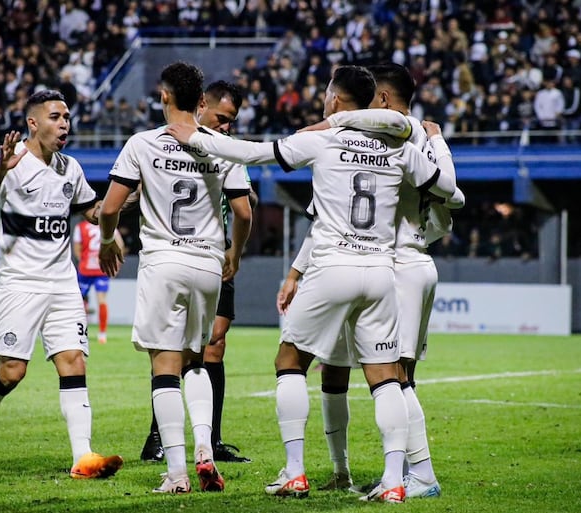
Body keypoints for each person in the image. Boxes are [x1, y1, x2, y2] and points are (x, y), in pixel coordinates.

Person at [166, 65, 458, 502]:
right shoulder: (399, 145)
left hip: (332, 265)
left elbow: (253, 154)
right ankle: (396, 480)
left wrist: (194, 135)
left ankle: (295, 471)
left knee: (290, 361)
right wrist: (432, 138)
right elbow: (449, 187)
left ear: (336, 99)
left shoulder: (323, 137)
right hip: (380, 273)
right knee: (386, 378)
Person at [292, 62, 465, 498]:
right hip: (416, 260)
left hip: (391, 263)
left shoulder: (379, 137)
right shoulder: (422, 138)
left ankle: (420, 474)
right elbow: (452, 195)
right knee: (399, 373)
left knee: (392, 377)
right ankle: (403, 471)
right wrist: (441, 142)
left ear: (383, 100)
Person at [97, 62, 253, 494]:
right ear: (200, 101)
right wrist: (234, 252)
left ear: (164, 96)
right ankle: (206, 449)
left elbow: (109, 208)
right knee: (198, 361)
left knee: (164, 367)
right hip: (207, 265)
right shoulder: (222, 146)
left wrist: (108, 240)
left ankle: (178, 473)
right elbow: (244, 212)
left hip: (163, 261)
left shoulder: (143, 144)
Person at [0, 90, 123, 480]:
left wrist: (127, 196)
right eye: (55, 117)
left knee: (73, 361)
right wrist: (0, 176)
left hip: (63, 283)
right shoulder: (6, 162)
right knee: (13, 371)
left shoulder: (71, 168)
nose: (64, 123)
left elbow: (93, 212)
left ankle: (82, 457)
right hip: (19, 282)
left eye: (67, 117)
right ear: (33, 123)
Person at [139, 80, 258, 464]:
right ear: (202, 104)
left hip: (215, 255)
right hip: (192, 255)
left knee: (214, 343)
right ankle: (159, 436)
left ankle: (211, 439)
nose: (226, 127)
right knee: (175, 351)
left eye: (232, 122)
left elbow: (245, 203)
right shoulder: (164, 142)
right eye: (222, 118)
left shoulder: (224, 149)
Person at [73, 219, 123, 344]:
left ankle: (79, 332)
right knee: (102, 300)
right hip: (102, 267)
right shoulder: (107, 224)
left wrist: (83, 261)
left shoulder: (80, 227)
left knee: (79, 302)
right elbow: (120, 243)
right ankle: (102, 334)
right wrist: (116, 264)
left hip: (85, 268)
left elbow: (76, 248)